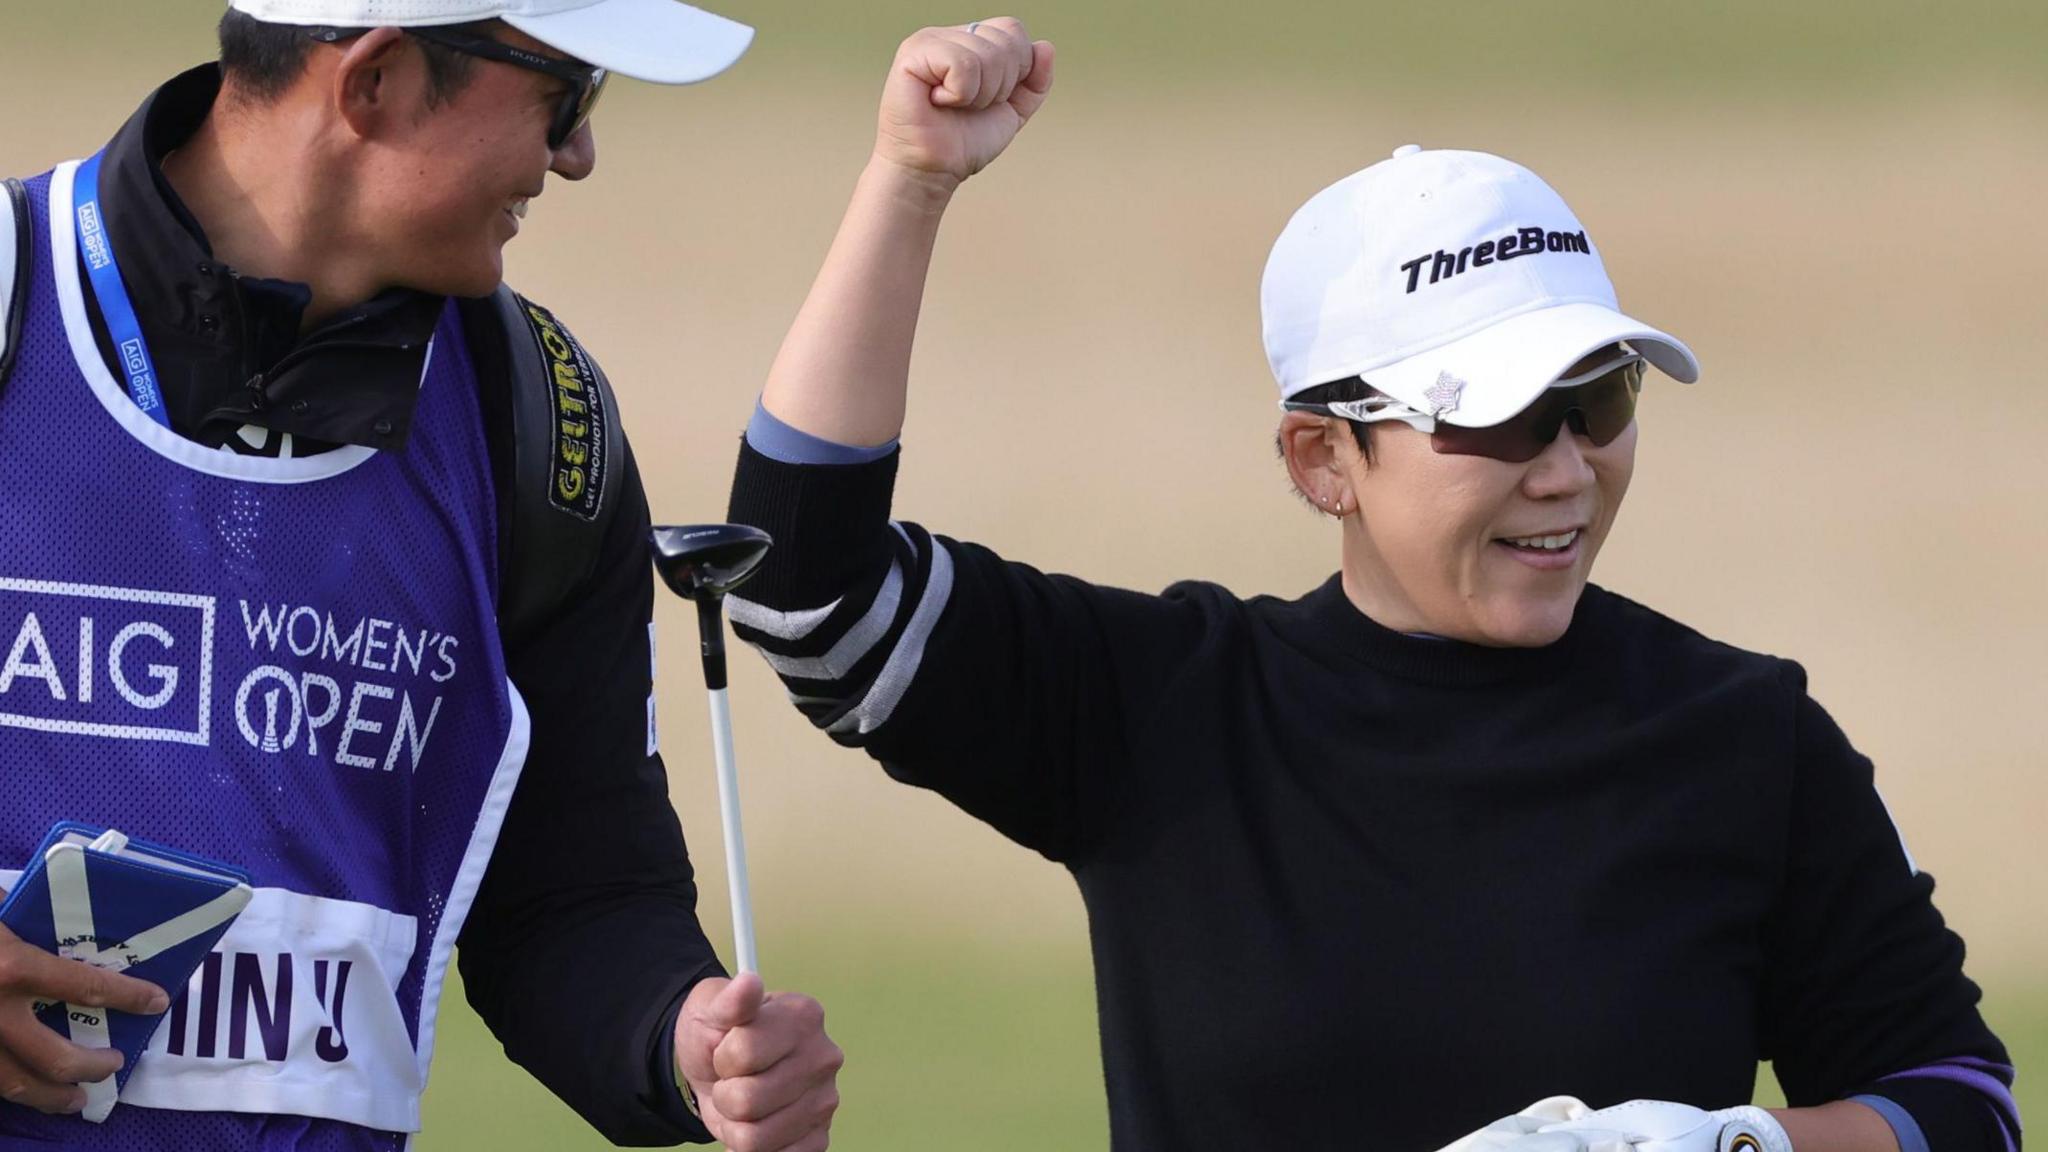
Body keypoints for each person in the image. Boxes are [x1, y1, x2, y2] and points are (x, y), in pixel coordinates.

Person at [721, 16, 2020, 1152]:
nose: (1568, 470)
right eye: (1503, 420)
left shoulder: (1747, 738)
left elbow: (1960, 1102)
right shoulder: (1164, 706)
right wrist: (910, 184)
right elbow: (804, 587)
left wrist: (1733, 1145)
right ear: (1322, 458)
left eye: (1600, 398)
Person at [0, 2, 840, 1149]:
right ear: (377, 82)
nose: (577, 155)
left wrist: (679, 1035)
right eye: (565, 96)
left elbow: (572, 890)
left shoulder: (537, 417)